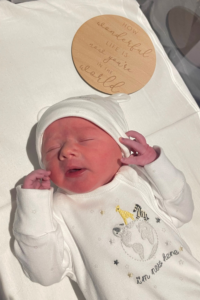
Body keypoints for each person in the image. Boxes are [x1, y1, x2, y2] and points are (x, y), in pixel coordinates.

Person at [13, 94, 200, 300]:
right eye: (52, 149)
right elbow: (45, 273)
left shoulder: (137, 180)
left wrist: (156, 164)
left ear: (121, 149)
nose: (66, 151)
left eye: (85, 139)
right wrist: (33, 208)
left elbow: (183, 211)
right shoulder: (56, 211)